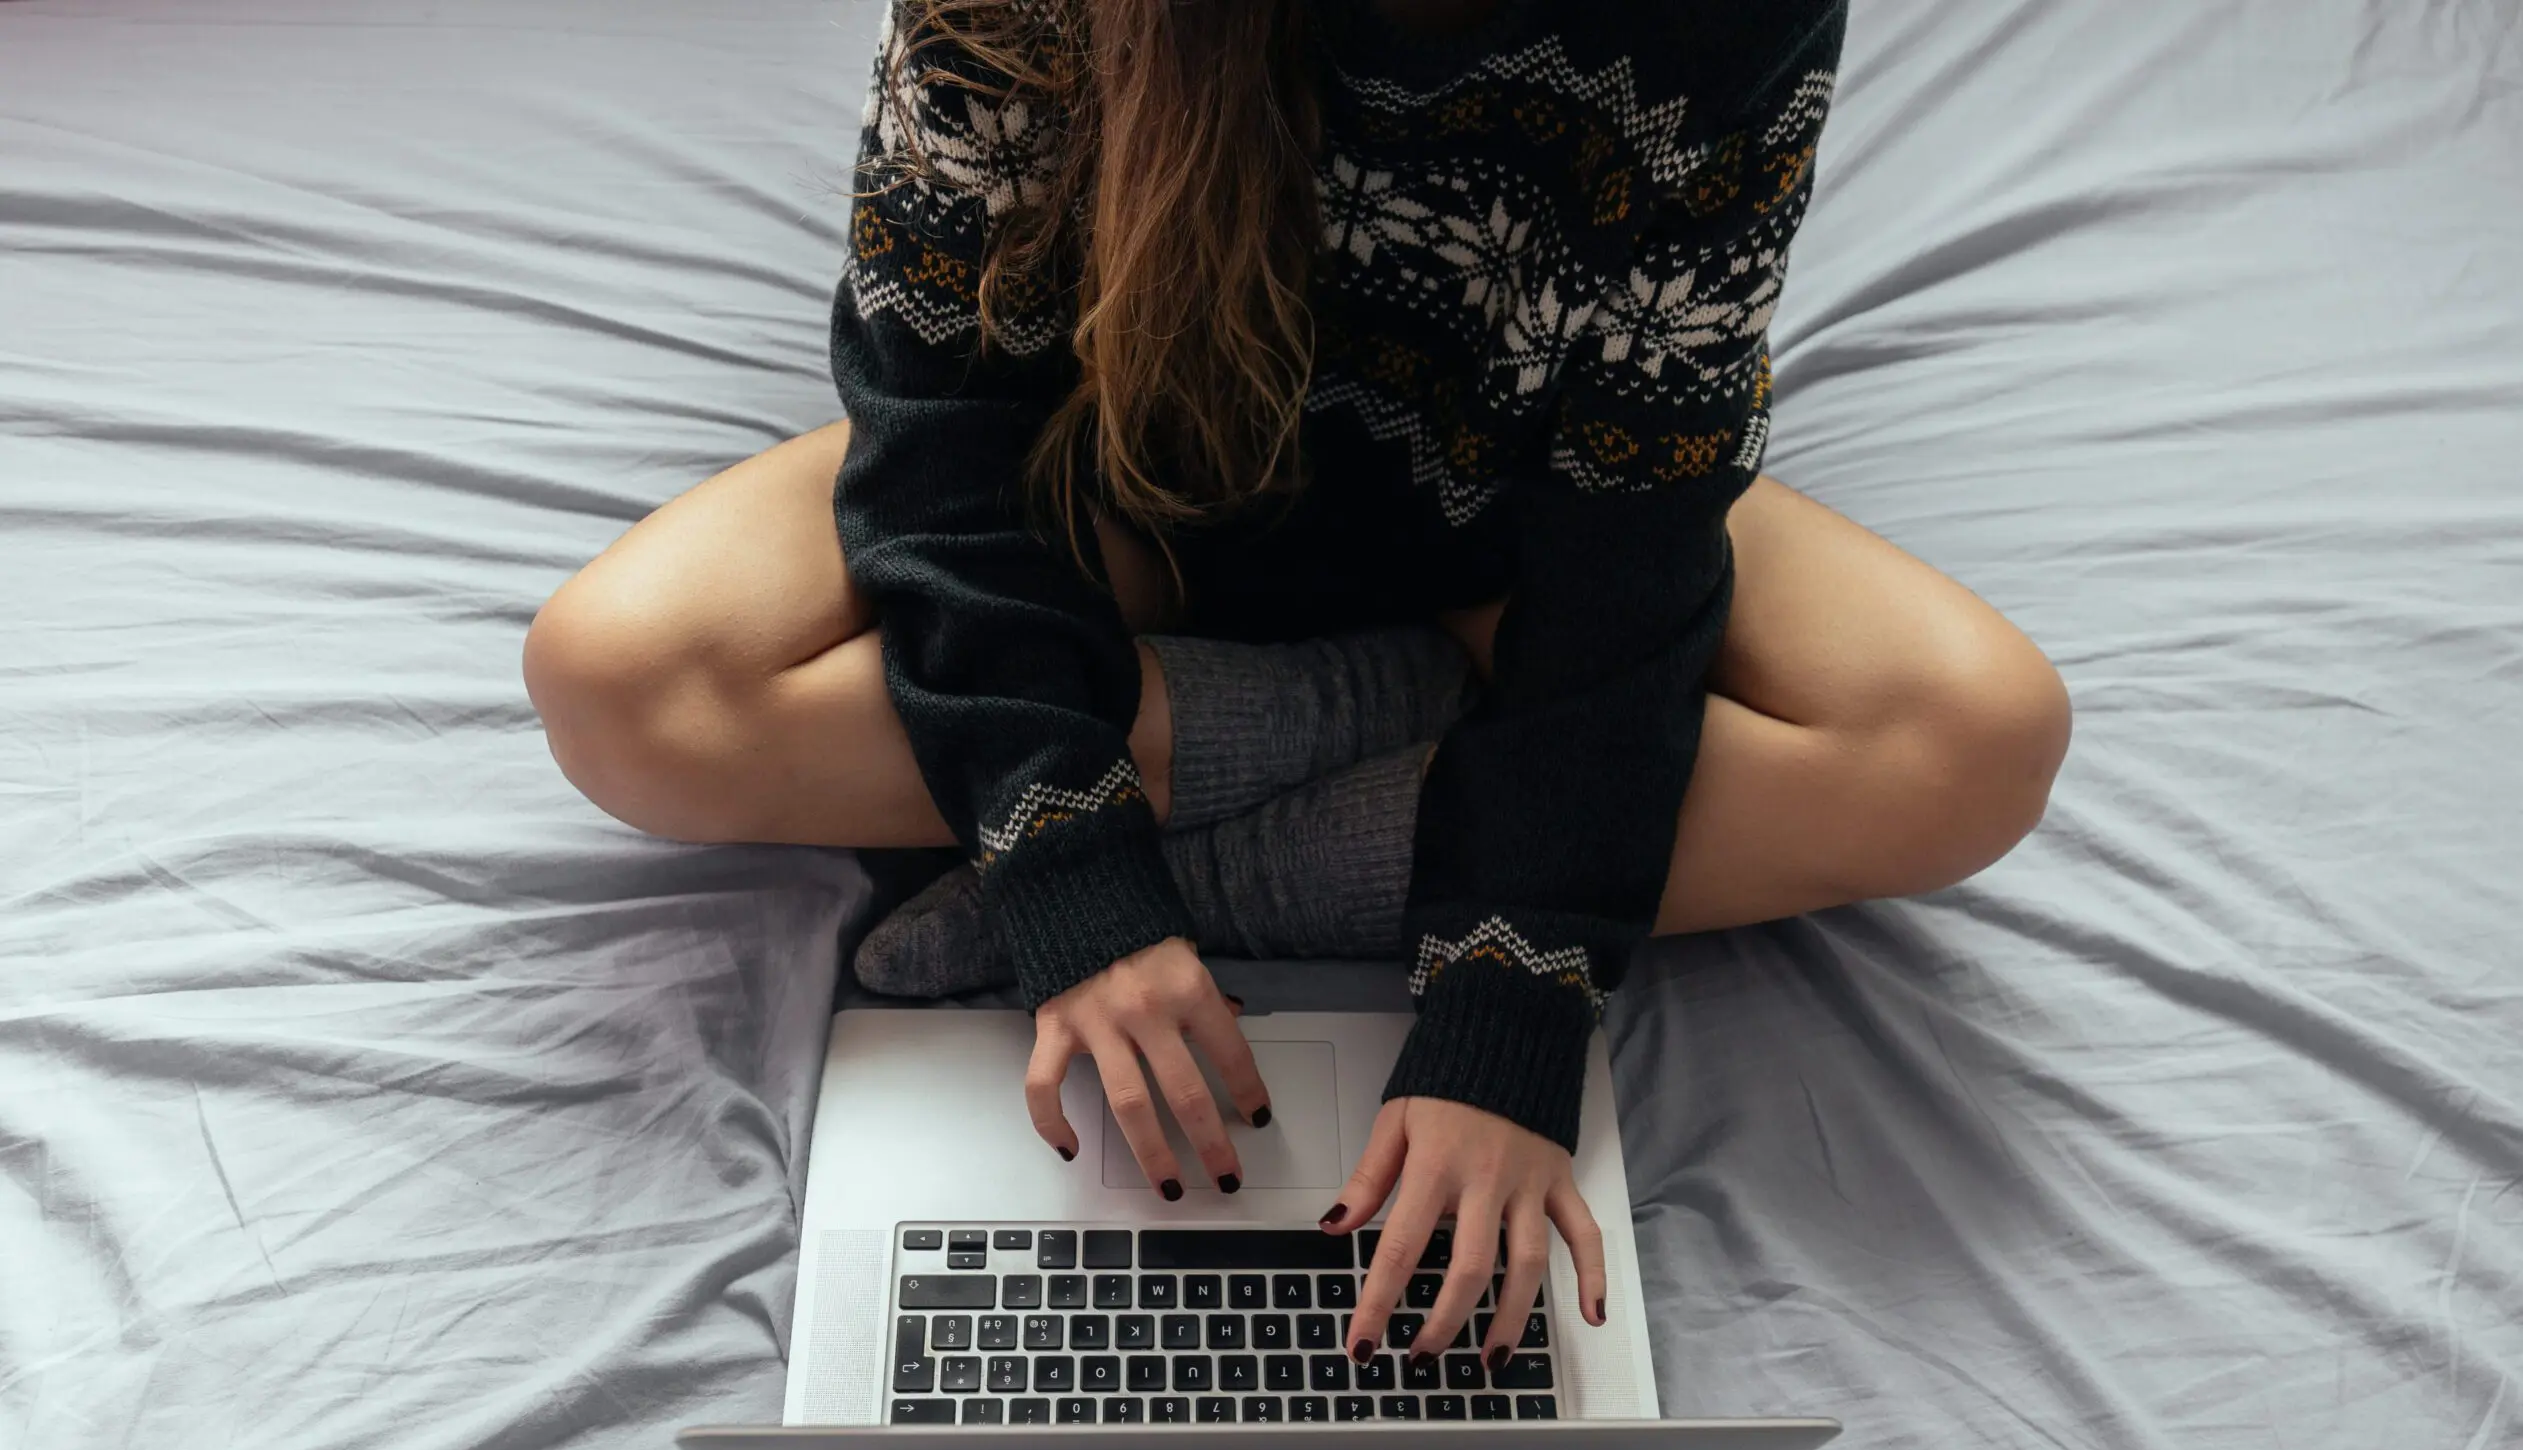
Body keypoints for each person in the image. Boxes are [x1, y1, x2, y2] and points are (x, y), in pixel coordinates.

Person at [523, 0, 2070, 1374]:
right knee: (624, 685)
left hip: (1509, 535)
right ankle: (1368, 731)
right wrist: (1070, 856)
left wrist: (1514, 986)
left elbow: (1640, 514)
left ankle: (1244, 820)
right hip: (1116, 492)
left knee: (1977, 745)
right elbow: (944, 433)